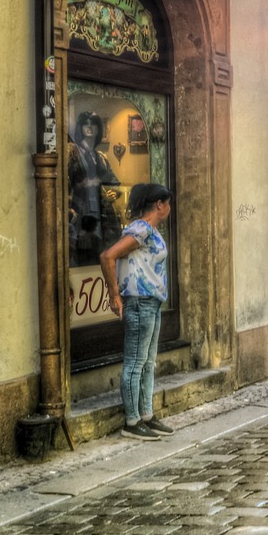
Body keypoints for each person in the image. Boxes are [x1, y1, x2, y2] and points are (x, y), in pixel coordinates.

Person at [99, 183, 176, 441]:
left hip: (151, 302)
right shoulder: (141, 229)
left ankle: (146, 416)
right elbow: (108, 256)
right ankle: (131, 421)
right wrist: (114, 295)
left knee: (147, 362)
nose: (170, 209)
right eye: (168, 203)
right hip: (139, 302)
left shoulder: (150, 231)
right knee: (135, 362)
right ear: (159, 205)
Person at [69, 111, 122, 266]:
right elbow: (65, 185)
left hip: (100, 213)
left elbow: (114, 183)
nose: (90, 127)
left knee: (101, 253)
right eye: (86, 123)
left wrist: (114, 193)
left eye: (93, 124)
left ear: (99, 129)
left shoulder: (101, 157)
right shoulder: (73, 154)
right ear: (80, 127)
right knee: (82, 253)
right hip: (79, 211)